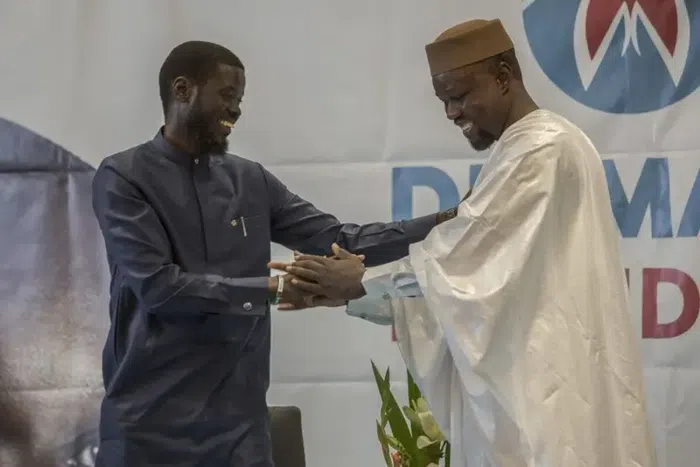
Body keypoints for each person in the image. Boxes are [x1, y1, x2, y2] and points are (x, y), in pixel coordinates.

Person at [269, 19, 657, 467]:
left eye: (460, 96)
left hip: (549, 395)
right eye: (444, 101)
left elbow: (462, 270)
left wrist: (359, 283)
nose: (452, 113)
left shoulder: (541, 149)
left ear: (503, 77)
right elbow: (468, 284)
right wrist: (349, 291)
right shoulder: (526, 148)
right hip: (541, 385)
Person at [90, 40, 462, 467]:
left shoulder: (250, 180)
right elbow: (160, 288)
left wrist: (449, 220)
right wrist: (275, 289)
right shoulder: (123, 177)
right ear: (182, 89)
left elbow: (341, 239)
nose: (236, 110)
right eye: (227, 95)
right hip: (148, 429)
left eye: (240, 99)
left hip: (240, 433)